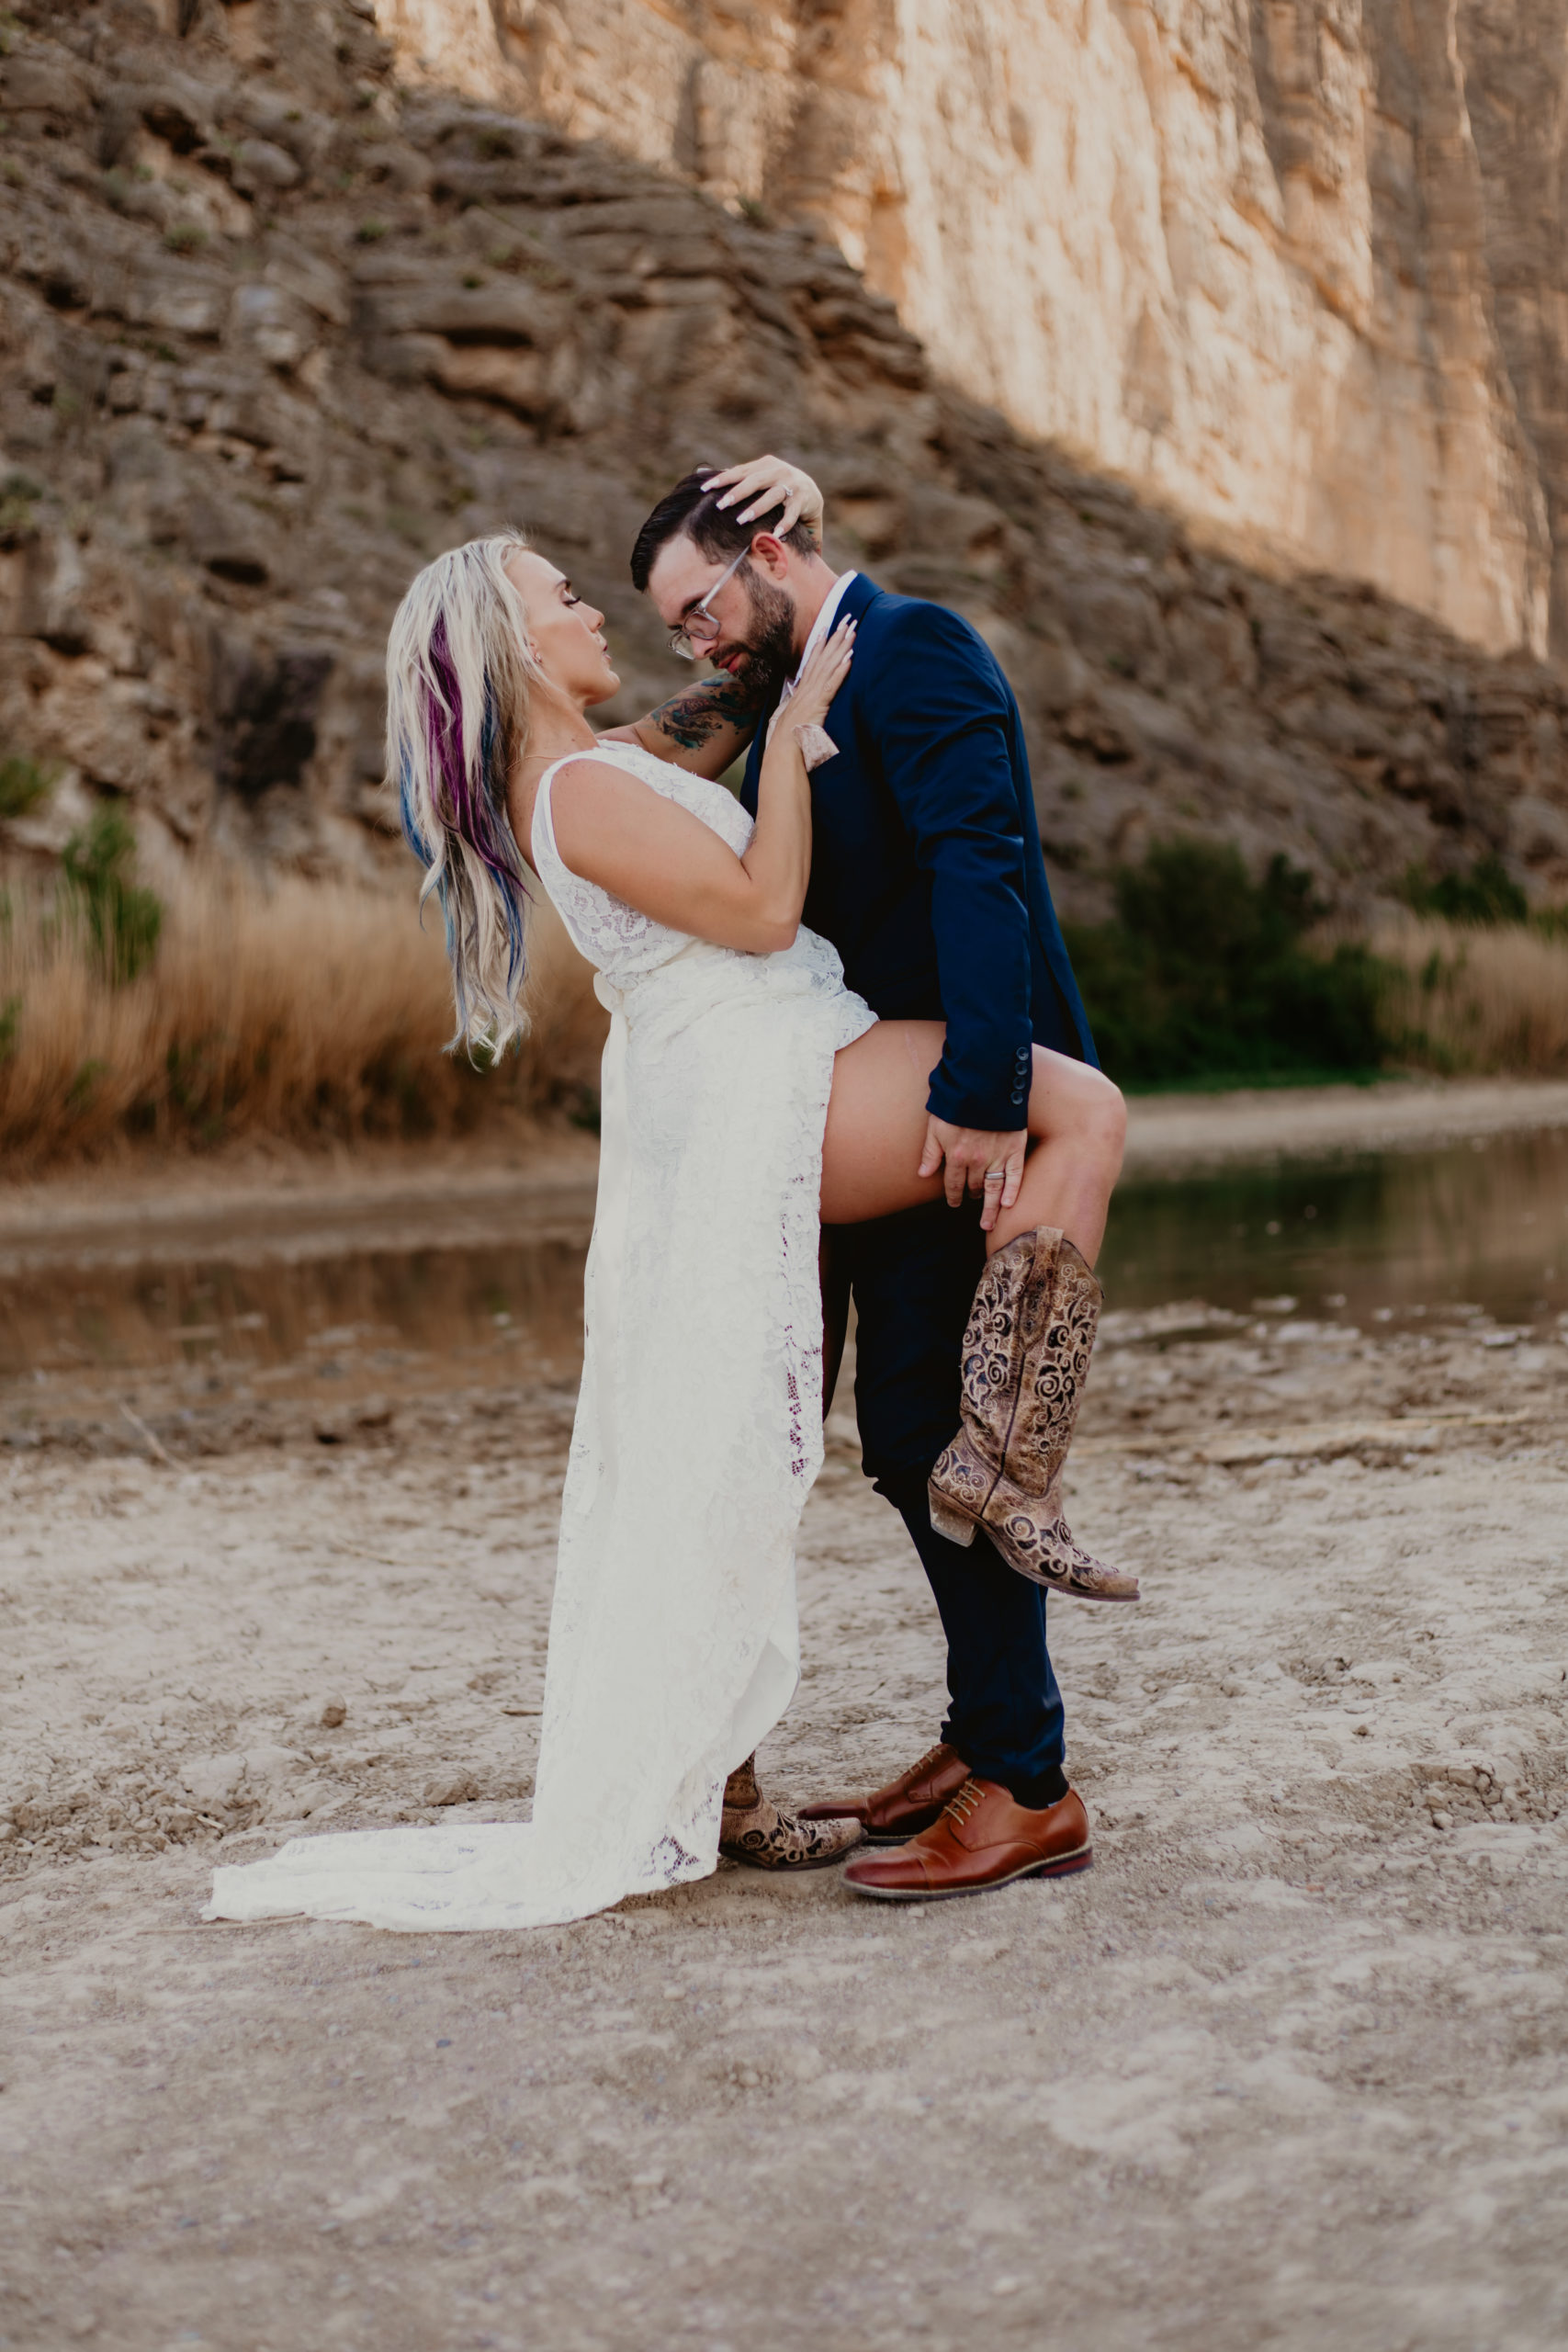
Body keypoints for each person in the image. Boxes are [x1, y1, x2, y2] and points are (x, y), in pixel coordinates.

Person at [207, 459, 1126, 1936]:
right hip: (766, 1084)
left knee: (797, 1431)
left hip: (792, 1074)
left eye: (676, 600)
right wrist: (793, 727)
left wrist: (804, 546)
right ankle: (1010, 1486)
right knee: (1066, 1132)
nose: (603, 611)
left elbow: (762, 682)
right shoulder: (574, 779)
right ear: (513, 648)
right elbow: (764, 886)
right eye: (563, 597)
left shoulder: (620, 747)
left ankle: (981, 1581)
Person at [630, 463, 1130, 1903]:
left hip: (958, 1115)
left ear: (773, 549)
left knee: (941, 1432)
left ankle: (1027, 1783)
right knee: (904, 1437)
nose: (697, 645)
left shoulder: (917, 649)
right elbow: (632, 762)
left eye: (703, 607)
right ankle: (982, 1737)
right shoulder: (793, 685)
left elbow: (987, 866)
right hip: (863, 1110)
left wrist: (982, 1100)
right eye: (672, 627)